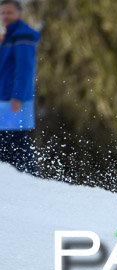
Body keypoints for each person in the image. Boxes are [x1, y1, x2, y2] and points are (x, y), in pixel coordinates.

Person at [0, 0, 40, 174]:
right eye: (2, 13)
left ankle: (32, 180)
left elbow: (25, 68)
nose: (5, 17)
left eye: (9, 13)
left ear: (19, 14)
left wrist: (17, 96)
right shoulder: (9, 36)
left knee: (14, 144)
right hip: (5, 99)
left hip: (14, 101)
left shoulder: (22, 35)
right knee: (7, 145)